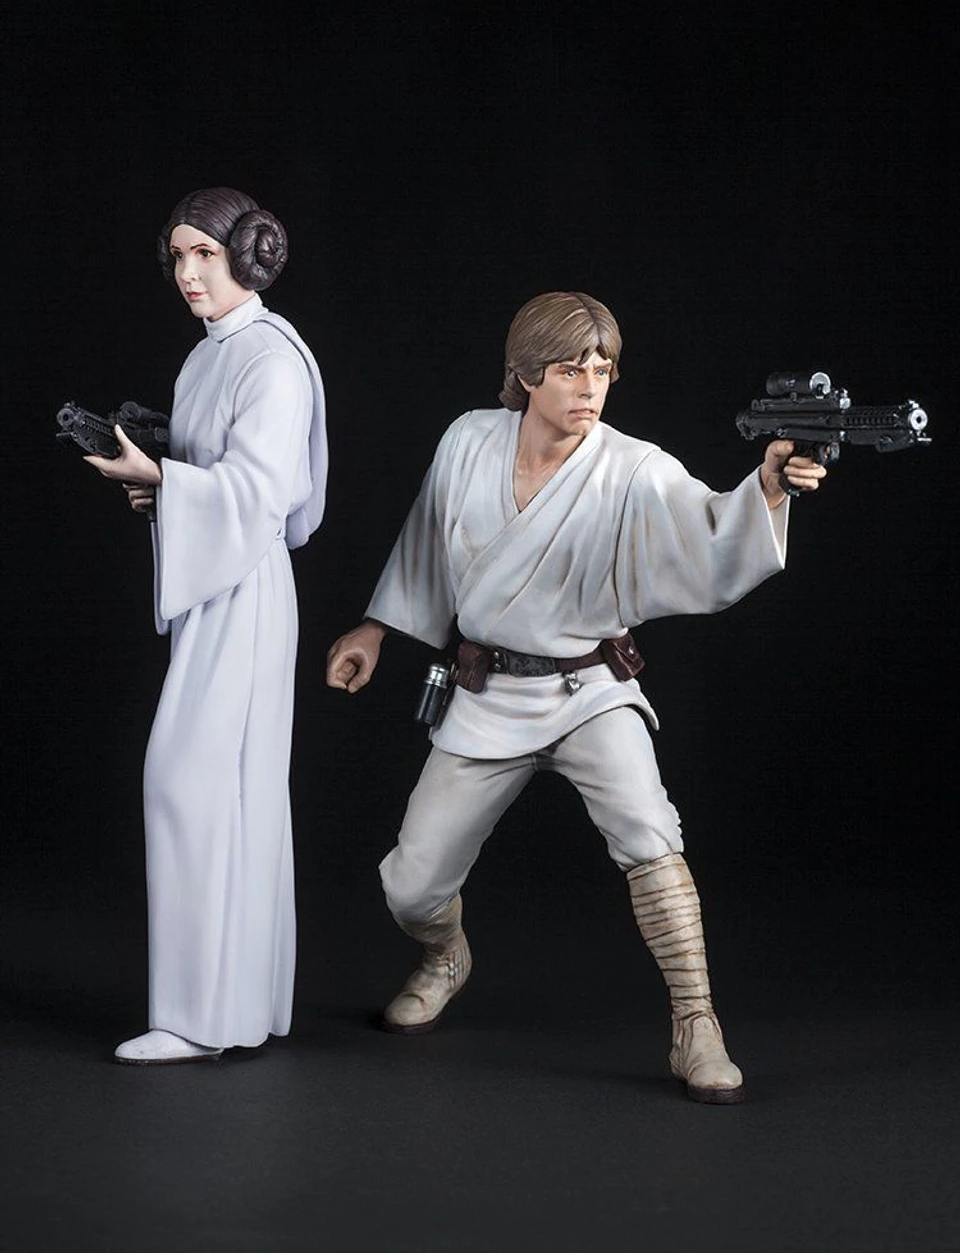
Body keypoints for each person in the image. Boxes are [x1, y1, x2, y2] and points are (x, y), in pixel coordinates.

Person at [327, 291, 826, 1103]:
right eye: (568, 370)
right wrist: (377, 629)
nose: (589, 387)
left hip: (589, 689)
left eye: (601, 370)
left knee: (650, 837)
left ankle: (695, 1021)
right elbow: (425, 539)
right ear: (525, 375)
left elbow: (711, 527)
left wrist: (766, 489)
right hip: (488, 690)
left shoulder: (632, 467)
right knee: (411, 884)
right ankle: (445, 956)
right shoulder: (467, 440)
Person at [84, 187, 327, 1064]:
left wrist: (169, 483)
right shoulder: (207, 356)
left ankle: (200, 1018)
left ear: (248, 254)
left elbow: (261, 493)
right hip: (216, 586)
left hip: (245, 586)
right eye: (179, 256)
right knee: (217, 788)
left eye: (206, 254)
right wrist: (160, 485)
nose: (188, 273)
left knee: (196, 782)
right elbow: (209, 475)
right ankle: (220, 1009)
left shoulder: (270, 359)